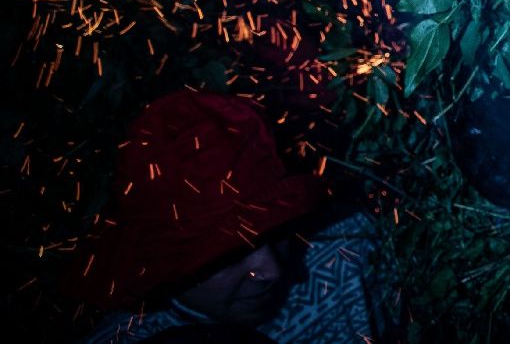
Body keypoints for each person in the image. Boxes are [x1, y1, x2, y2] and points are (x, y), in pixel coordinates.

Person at [70, 90, 385, 344]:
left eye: (277, 231)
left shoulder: (352, 253)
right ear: (163, 264)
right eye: (230, 254)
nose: (271, 271)